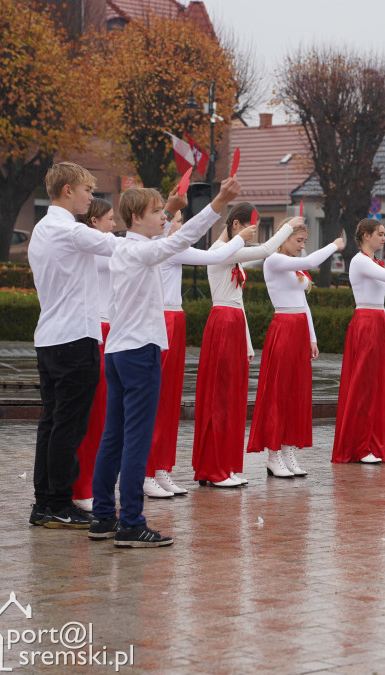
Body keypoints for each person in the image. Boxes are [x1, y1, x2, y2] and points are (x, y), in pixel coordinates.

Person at [88, 177, 240, 547]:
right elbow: (183, 238)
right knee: (136, 438)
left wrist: (170, 205)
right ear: (137, 217)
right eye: (157, 212)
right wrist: (219, 201)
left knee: (113, 436)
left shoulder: (123, 248)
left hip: (117, 351)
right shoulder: (141, 251)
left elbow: (171, 236)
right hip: (140, 351)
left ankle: (104, 516)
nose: (164, 217)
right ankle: (131, 523)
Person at [142, 200, 253, 498]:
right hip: (160, 320)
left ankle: (161, 468)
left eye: (180, 221)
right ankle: (146, 470)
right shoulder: (163, 247)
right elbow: (210, 256)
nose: (180, 227)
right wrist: (240, 237)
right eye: (176, 221)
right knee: (156, 398)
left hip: (176, 320)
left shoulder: (172, 247)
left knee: (170, 399)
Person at [28, 162, 116, 531]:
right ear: (67, 190)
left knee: (51, 423)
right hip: (74, 340)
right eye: (87, 190)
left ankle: (46, 504)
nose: (91, 197)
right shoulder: (70, 231)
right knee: (67, 426)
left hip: (49, 339)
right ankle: (59, 503)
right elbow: (121, 246)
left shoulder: (41, 229)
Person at [191, 209, 295, 486]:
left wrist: (247, 341)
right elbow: (264, 250)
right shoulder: (221, 250)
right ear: (235, 224)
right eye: (250, 228)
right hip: (224, 324)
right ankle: (214, 469)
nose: (251, 235)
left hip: (234, 323)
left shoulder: (231, 253)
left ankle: (224, 466)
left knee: (232, 399)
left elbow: (238, 301)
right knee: (220, 398)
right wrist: (288, 228)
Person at [246, 221, 345, 476]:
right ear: (284, 238)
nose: (301, 247)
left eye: (303, 242)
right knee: (279, 393)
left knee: (297, 394)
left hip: (299, 330)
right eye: (298, 241)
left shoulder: (293, 268)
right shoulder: (274, 261)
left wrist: (312, 338)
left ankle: (289, 449)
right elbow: (311, 261)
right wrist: (334, 245)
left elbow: (303, 304)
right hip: (284, 328)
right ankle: (273, 453)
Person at [332, 218, 385, 464]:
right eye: (380, 234)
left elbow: (380, 304)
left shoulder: (371, 262)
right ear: (366, 236)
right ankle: (359, 447)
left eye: (384, 234)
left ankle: (369, 442)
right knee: (363, 387)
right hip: (366, 324)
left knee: (374, 387)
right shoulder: (360, 260)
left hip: (377, 323)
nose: (384, 238)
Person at [70, 198, 117, 512]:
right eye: (110, 219)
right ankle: (82, 486)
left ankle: (93, 484)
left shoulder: (106, 245)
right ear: (94, 221)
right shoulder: (94, 250)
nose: (114, 224)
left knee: (105, 415)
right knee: (93, 414)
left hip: (111, 329)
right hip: (96, 331)